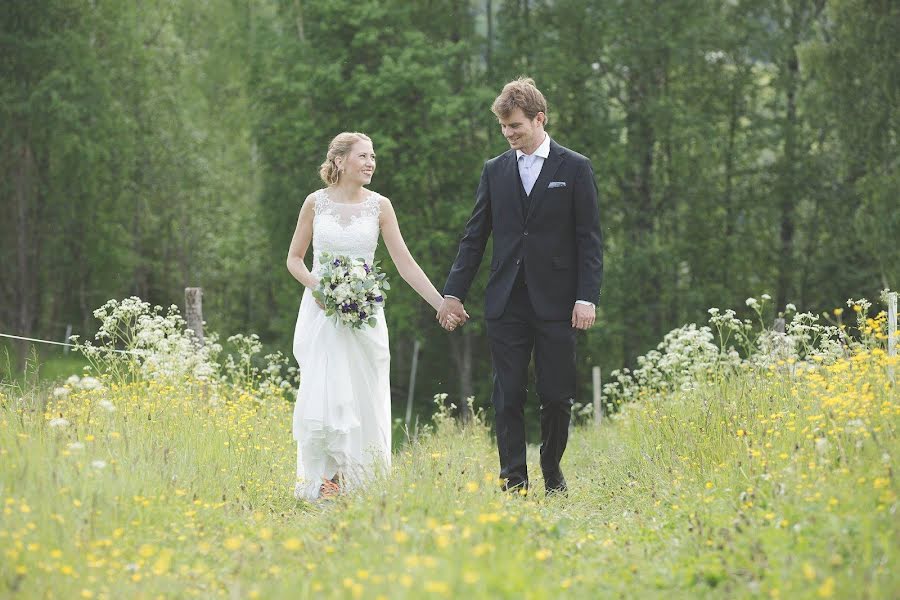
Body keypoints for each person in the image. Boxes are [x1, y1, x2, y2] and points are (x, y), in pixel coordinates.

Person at [438, 78, 603, 495]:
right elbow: (475, 237)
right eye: (504, 128)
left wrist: (586, 297)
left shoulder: (575, 167)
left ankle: (552, 470)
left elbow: (590, 240)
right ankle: (514, 479)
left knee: (556, 396)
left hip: (559, 303)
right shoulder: (494, 170)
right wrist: (454, 292)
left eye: (515, 126)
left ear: (539, 119)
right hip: (506, 301)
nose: (509, 134)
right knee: (507, 394)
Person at [287, 132, 461, 501]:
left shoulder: (380, 206)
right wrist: (317, 287)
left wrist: (440, 303)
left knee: (364, 394)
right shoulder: (315, 204)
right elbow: (294, 259)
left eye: (373, 156)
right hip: (323, 315)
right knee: (328, 393)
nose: (370, 163)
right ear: (339, 161)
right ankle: (327, 482)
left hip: (365, 313)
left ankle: (360, 481)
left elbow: (404, 263)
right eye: (363, 156)